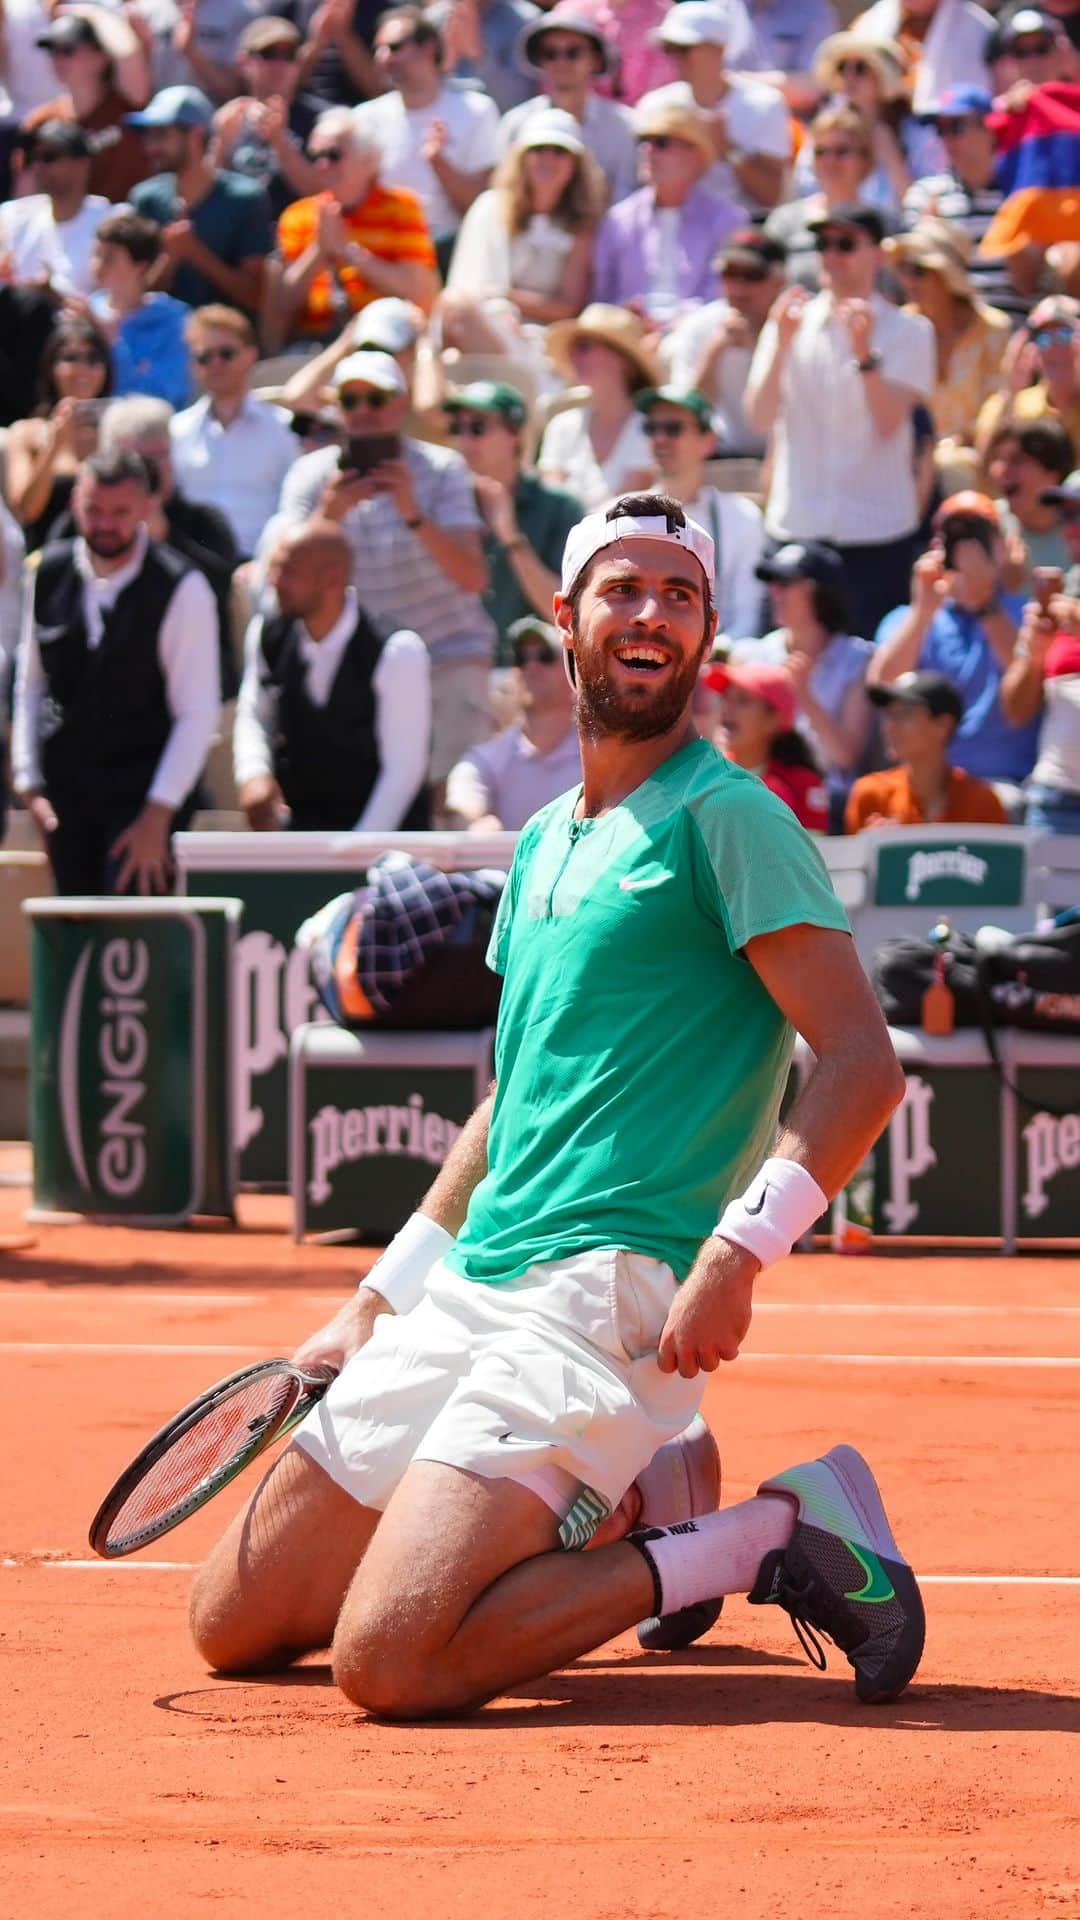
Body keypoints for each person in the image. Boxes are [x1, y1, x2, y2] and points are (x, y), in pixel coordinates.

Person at [187, 488, 922, 1720]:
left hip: (611, 1296)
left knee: (392, 1662)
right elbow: (508, 1100)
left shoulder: (730, 819)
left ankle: (764, 1533)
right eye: (623, 590)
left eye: (680, 596)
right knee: (232, 1624)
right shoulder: (541, 842)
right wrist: (375, 1300)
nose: (652, 615)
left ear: (703, 634)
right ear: (565, 617)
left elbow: (861, 1062)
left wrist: (741, 1252)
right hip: (477, 1283)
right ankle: (650, 1487)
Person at [271, 350, 496, 795]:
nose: (363, 413)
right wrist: (329, 515)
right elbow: (279, 580)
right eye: (350, 401)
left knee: (451, 804)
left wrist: (413, 512)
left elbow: (473, 578)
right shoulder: (311, 476)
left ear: (401, 403)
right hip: (362, 665)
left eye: (375, 398)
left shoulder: (443, 468)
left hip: (447, 655)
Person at [11, 447, 220, 894]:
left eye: (120, 511)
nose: (105, 525)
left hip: (142, 797)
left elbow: (196, 713)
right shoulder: (46, 571)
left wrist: (157, 816)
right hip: (67, 798)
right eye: (94, 511)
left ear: (147, 507)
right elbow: (31, 682)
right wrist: (29, 783)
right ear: (75, 504)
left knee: (135, 935)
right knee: (72, 936)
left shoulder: (182, 587)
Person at [745, 200, 935, 641]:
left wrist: (864, 353)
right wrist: (781, 342)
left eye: (845, 244)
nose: (831, 256)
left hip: (877, 536)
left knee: (869, 678)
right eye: (823, 244)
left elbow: (888, 423)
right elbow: (758, 416)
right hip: (799, 525)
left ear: (878, 254)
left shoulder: (910, 331)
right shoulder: (789, 322)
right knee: (781, 674)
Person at [234, 519, 431, 832]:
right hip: (303, 838)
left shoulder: (397, 651)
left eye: (288, 571)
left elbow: (403, 772)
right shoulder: (267, 635)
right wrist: (253, 772)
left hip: (387, 855)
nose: (273, 581)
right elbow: (254, 713)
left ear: (332, 578)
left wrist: (356, 855)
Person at [869, 492, 1040, 793]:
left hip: (1003, 787)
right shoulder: (908, 617)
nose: (964, 549)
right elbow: (881, 687)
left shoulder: (1027, 614)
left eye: (975, 536)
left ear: (1000, 547)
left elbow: (1028, 698)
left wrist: (985, 605)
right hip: (921, 787)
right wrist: (924, 611)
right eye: (953, 538)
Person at [271, 107, 438, 350]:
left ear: (369, 159)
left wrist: (350, 253)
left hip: (389, 341)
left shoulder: (402, 207)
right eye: (315, 156)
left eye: (334, 155)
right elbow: (284, 303)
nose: (323, 165)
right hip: (315, 345)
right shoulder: (297, 216)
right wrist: (320, 250)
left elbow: (421, 293)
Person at [734, 540, 874, 827]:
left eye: (786, 582)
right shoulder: (750, 655)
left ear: (818, 591)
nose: (775, 592)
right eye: (773, 583)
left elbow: (846, 756)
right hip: (760, 793)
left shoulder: (859, 659)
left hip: (830, 804)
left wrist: (803, 695)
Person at [441, 109, 605, 353]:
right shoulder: (490, 208)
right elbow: (469, 288)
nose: (548, 159)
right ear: (522, 158)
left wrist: (507, 297)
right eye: (538, 150)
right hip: (486, 325)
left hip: (546, 339)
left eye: (559, 151)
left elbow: (568, 307)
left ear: (575, 164)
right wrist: (501, 311)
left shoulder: (581, 224)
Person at [441, 380, 583, 661]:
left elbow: (568, 615)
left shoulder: (560, 508)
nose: (464, 440)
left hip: (534, 674)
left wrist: (511, 538)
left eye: (478, 428)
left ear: (515, 433)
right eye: (457, 429)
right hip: (459, 670)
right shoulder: (439, 504)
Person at [354, 7, 500, 266]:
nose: (384, 58)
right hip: (379, 249)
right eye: (379, 49)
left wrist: (439, 163)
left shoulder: (477, 111)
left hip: (452, 251)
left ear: (429, 48)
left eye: (395, 47)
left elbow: (479, 208)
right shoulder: (363, 118)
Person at [903, 86, 1052, 324]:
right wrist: (933, 240)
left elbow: (1027, 284)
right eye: (940, 130)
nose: (947, 139)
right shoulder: (923, 195)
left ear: (990, 130)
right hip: (950, 334)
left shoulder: (1024, 193)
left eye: (957, 127)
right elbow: (918, 285)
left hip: (1012, 332)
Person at [589, 98, 741, 322]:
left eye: (661, 142)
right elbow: (601, 297)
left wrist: (676, 321)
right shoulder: (619, 219)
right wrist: (628, 315)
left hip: (694, 334)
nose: (647, 150)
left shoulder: (727, 221)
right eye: (643, 141)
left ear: (695, 154)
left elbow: (721, 298)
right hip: (627, 337)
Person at [128, 85, 274, 315]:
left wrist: (195, 252)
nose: (151, 146)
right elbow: (134, 298)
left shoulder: (245, 198)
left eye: (161, 135)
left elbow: (255, 297)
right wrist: (170, 258)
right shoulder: (145, 199)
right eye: (148, 136)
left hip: (225, 342)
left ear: (195, 136)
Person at [635, 384, 765, 642]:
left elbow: (747, 619)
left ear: (708, 441)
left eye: (673, 428)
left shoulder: (743, 519)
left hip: (716, 663)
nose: (660, 439)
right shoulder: (617, 515)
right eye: (652, 429)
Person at [639, 1, 791, 217]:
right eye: (669, 48)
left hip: (742, 235)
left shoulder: (765, 104)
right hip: (671, 228)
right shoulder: (654, 105)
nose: (675, 57)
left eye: (684, 48)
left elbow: (772, 196)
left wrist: (727, 149)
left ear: (719, 49)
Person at [170, 304, 298, 558]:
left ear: (251, 355)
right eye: (205, 357)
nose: (216, 364)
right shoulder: (176, 431)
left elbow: (294, 508)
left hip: (264, 565)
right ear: (194, 365)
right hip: (197, 568)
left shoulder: (284, 429)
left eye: (226, 353)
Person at [445, 613, 581, 827]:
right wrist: (478, 821)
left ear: (574, 672)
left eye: (545, 656)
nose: (531, 666)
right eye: (521, 658)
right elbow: (464, 796)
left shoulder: (599, 754)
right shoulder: (488, 758)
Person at [1001, 466, 1080, 832]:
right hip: (1057, 799)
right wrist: (1033, 657)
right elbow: (1015, 711)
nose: (1071, 526)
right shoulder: (1056, 600)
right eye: (1066, 514)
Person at [882, 220, 1009, 447]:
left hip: (975, 463)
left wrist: (959, 445)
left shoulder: (993, 329)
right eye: (903, 268)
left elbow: (1000, 406)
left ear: (947, 276)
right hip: (908, 456)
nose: (909, 280)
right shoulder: (898, 329)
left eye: (919, 270)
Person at [497, 5, 639, 207]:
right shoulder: (515, 124)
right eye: (550, 53)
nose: (561, 61)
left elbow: (627, 200)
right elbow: (506, 196)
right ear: (540, 60)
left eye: (573, 52)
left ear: (596, 60)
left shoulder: (624, 126)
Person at [662, 226, 785, 458]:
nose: (739, 287)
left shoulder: (797, 325)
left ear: (780, 280)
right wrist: (714, 352)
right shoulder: (700, 327)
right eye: (729, 273)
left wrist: (755, 350)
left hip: (786, 459)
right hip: (722, 457)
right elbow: (687, 416)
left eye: (752, 275)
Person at [5, 315, 112, 551]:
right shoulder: (27, 433)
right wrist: (55, 443)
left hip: (110, 557)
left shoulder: (119, 428)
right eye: (71, 358)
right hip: (46, 559)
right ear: (51, 367)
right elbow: (25, 511)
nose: (83, 368)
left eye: (94, 358)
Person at [847, 669, 1008, 826]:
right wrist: (870, 846)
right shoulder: (870, 795)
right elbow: (851, 853)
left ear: (943, 725)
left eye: (904, 714)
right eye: (888, 715)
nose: (889, 726)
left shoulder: (982, 801)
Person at [23, 5, 151, 202]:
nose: (58, 59)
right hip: (70, 229)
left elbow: (128, 52)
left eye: (68, 50)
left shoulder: (125, 104)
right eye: (52, 50)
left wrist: (87, 11)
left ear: (101, 57)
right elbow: (25, 198)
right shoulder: (41, 121)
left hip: (125, 225)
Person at [539, 303, 658, 511]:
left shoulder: (652, 429)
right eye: (573, 348)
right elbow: (552, 507)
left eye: (584, 346)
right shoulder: (562, 425)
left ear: (621, 358)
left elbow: (625, 508)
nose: (574, 356)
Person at [763, 104, 891, 293]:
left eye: (841, 152)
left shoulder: (886, 223)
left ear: (865, 159)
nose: (830, 161)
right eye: (821, 152)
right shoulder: (785, 222)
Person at [210, 16, 328, 219]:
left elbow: (321, 194)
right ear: (243, 62)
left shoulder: (321, 120)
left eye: (289, 55)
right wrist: (221, 145)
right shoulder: (229, 116)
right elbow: (207, 195)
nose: (280, 64)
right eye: (269, 54)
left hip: (297, 235)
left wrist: (279, 141)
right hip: (241, 239)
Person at [706, 655, 829, 831]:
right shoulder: (705, 774)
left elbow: (811, 853)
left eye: (742, 701)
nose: (726, 709)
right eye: (725, 697)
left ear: (774, 720)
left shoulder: (803, 785)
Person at [795, 32, 913, 213]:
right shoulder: (826, 127)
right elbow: (805, 186)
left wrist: (891, 156)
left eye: (860, 68)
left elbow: (915, 203)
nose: (849, 77)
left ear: (882, 75)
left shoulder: (912, 129)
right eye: (842, 67)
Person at [90, 210, 194, 410]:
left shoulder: (175, 321)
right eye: (96, 254)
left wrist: (114, 344)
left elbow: (165, 396)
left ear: (141, 265)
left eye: (110, 257)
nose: (97, 265)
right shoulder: (84, 313)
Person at [0, 120, 112, 299]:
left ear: (82, 164)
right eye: (32, 158)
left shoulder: (111, 221)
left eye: (49, 157)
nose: (38, 166)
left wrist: (55, 299)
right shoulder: (11, 216)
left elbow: (118, 304)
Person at [975, 298, 1080, 458]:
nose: (1055, 348)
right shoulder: (1016, 405)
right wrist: (1010, 391)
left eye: (1064, 335)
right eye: (1043, 339)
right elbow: (987, 464)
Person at [984, 416, 1076, 582]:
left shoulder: (1076, 531)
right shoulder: (984, 525)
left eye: (1016, 460)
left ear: (1052, 472)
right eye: (997, 459)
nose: (999, 470)